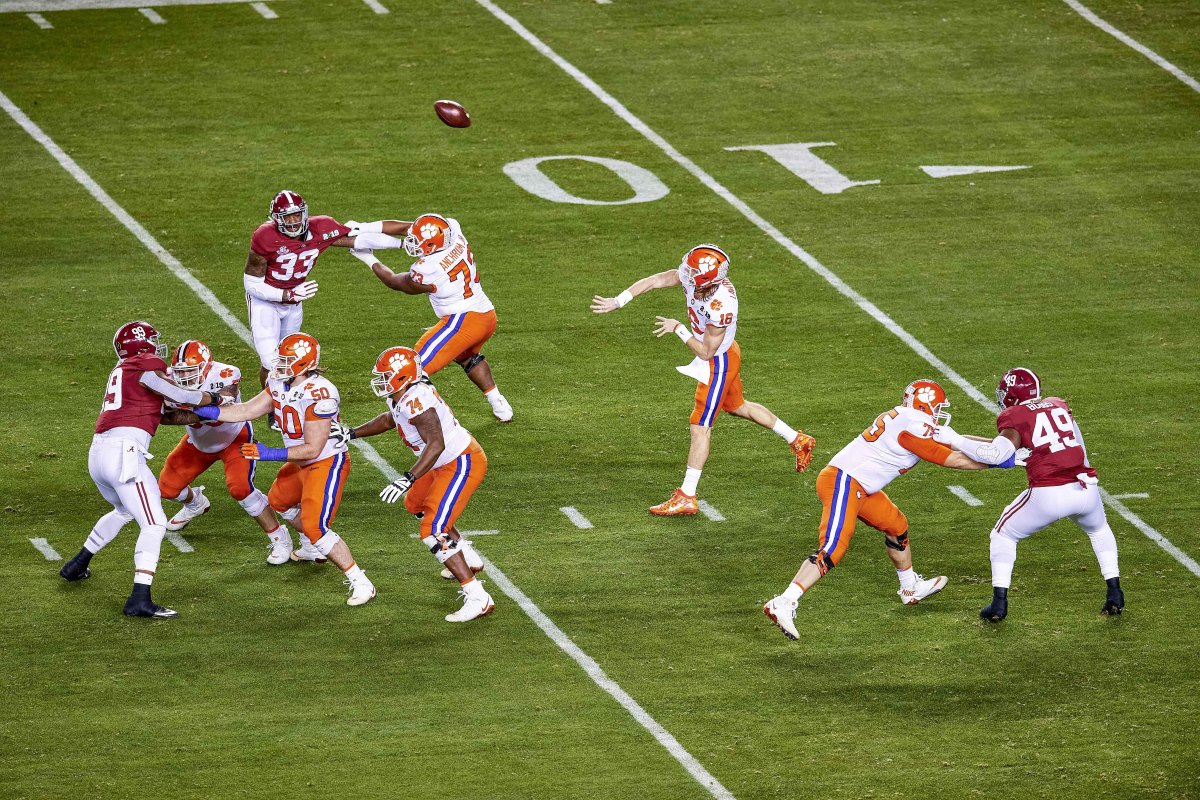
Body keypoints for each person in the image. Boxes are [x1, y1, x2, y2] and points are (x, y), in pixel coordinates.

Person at [590, 244, 816, 515]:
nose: (685, 271)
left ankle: (687, 495)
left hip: (717, 362)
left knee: (700, 426)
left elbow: (706, 351)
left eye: (692, 270)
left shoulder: (721, 306)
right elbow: (655, 280)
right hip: (724, 355)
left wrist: (679, 329)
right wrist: (619, 300)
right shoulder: (696, 278)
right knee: (737, 406)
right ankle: (798, 439)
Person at [763, 380, 996, 640]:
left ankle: (910, 588)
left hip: (861, 487)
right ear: (925, 403)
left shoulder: (910, 419)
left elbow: (958, 442)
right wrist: (996, 462)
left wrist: (997, 446)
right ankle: (785, 601)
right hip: (844, 481)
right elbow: (952, 459)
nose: (939, 411)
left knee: (896, 525)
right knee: (833, 547)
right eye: (937, 406)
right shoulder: (914, 424)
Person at [194, 333, 375, 606]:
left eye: (287, 360)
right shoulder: (279, 381)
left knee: (316, 526)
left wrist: (271, 454)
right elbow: (245, 411)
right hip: (299, 461)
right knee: (279, 500)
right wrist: (203, 410)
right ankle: (313, 547)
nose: (279, 364)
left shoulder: (320, 393)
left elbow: (313, 448)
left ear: (304, 364)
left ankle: (360, 581)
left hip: (325, 462)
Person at [59, 321, 223, 618]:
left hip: (99, 453)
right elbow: (181, 396)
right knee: (155, 523)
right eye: (151, 340)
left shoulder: (123, 372)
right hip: (124, 454)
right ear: (141, 345)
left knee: (124, 510)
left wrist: (206, 415)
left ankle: (77, 565)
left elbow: (165, 415)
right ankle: (139, 599)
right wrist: (215, 399)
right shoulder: (145, 364)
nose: (157, 347)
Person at [935, 367, 1123, 621]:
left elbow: (996, 454)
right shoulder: (1057, 405)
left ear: (1011, 395)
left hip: (1049, 493)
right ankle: (1115, 592)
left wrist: (954, 440)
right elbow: (1077, 444)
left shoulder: (1016, 415)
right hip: (1085, 487)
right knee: (1099, 530)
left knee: (1002, 535)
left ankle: (998, 604)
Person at [336, 346, 494, 623]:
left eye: (386, 375)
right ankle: (466, 555)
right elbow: (390, 419)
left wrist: (407, 477)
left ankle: (478, 597)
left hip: (460, 461)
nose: (381, 380)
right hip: (440, 462)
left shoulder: (416, 399)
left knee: (433, 531)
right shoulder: (402, 394)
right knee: (416, 504)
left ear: (402, 377)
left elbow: (436, 444)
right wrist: (352, 433)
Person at [243, 190, 409, 425]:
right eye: (286, 217)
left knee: (291, 358)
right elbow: (251, 282)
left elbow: (358, 239)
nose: (293, 222)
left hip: (295, 300)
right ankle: (275, 408)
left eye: (296, 215)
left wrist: (402, 244)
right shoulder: (265, 236)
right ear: (276, 218)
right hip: (266, 301)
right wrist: (286, 293)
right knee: (271, 362)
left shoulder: (321, 227)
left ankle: (287, 402)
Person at [348, 213, 514, 423]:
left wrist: (367, 256)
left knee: (411, 370)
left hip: (462, 321)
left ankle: (444, 425)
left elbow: (395, 282)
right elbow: (407, 228)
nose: (414, 245)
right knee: (467, 357)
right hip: (486, 315)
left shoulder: (429, 268)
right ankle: (498, 403)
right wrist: (363, 227)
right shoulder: (452, 231)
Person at [157, 339, 295, 565]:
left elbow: (223, 407)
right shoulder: (167, 378)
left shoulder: (226, 374)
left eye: (191, 371)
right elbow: (165, 418)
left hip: (234, 437)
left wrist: (188, 407)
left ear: (207, 366)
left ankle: (280, 538)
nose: (185, 377)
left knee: (241, 489)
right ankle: (196, 504)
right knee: (166, 488)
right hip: (198, 440)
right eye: (181, 372)